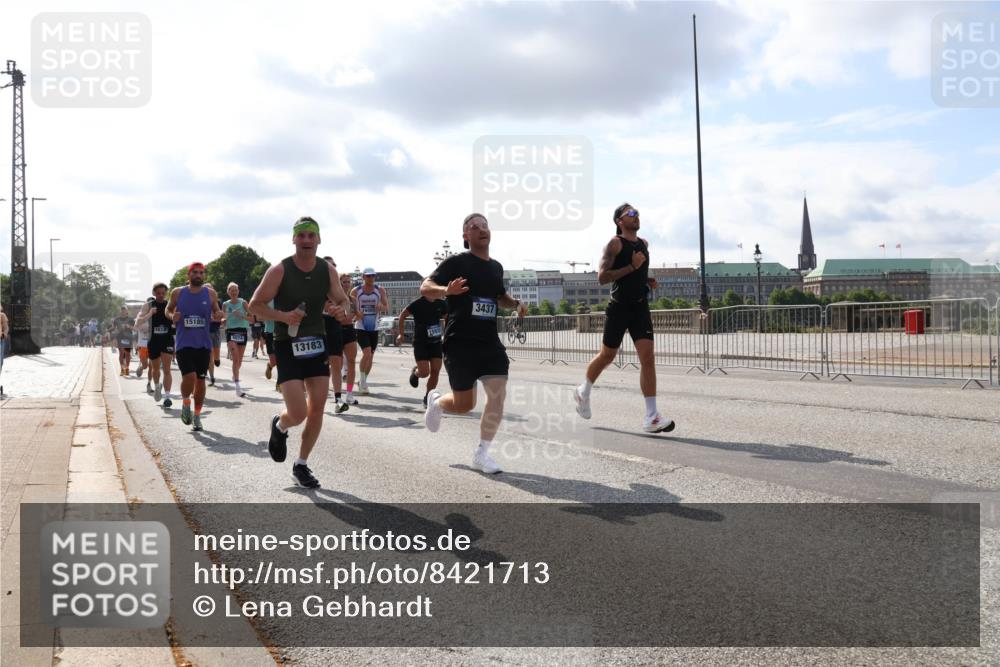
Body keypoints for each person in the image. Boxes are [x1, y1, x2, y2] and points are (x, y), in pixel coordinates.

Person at [249, 216, 351, 489]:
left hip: (317, 341)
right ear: (293, 239)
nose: (306, 240)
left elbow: (343, 300)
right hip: (287, 344)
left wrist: (343, 310)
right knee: (298, 412)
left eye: (311, 235)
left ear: (319, 240)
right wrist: (283, 316)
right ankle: (281, 426)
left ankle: (302, 464)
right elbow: (255, 305)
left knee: (317, 408)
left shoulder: (326, 270)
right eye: (301, 235)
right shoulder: (279, 270)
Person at [421, 213, 526, 474]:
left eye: (485, 225)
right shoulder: (457, 262)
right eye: (474, 227)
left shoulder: (496, 267)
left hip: (489, 341)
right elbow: (425, 287)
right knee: (464, 404)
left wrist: (515, 304)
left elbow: (499, 296)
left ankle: (482, 453)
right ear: (466, 236)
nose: (481, 229)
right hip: (460, 342)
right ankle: (437, 402)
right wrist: (447, 291)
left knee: (497, 393)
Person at [573, 203, 674, 433]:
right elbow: (602, 277)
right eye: (630, 213)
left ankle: (651, 417)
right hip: (618, 308)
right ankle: (583, 391)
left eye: (637, 212)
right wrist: (631, 266)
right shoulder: (614, 243)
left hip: (639, 307)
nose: (636, 215)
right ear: (619, 221)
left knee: (648, 357)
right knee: (607, 355)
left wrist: (647, 279)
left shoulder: (644, 244)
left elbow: (638, 272)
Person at [166, 263, 223, 431]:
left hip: (204, 345)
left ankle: (197, 415)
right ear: (189, 275)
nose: (198, 275)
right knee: (189, 378)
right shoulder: (178, 292)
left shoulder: (210, 293)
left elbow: (217, 312)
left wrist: (219, 315)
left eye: (201, 273)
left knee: (200, 381)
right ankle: (185, 403)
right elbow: (168, 310)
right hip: (184, 343)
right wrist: (172, 316)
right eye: (195, 272)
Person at [398, 295, 447, 408]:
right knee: (425, 373)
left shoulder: (442, 303)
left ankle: (428, 398)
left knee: (435, 371)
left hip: (436, 342)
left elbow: (447, 318)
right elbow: (402, 316)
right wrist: (401, 334)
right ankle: (416, 372)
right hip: (421, 343)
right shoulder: (417, 304)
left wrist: (447, 334)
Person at [138, 282, 177, 408]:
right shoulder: (148, 305)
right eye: (158, 293)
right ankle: (157, 386)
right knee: (155, 369)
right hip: (153, 341)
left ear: (166, 293)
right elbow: (138, 322)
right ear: (154, 293)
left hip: (167, 340)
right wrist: (150, 314)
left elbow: (176, 319)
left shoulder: (169, 305)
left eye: (163, 293)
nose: (161, 295)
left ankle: (167, 396)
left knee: (167, 369)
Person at [322, 257, 352, 413]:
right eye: (329, 266)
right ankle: (314, 396)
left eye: (334, 266)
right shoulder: (313, 283)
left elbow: (345, 301)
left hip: (333, 324)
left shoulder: (336, 285)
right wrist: (323, 305)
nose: (332, 269)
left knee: (336, 361)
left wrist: (342, 310)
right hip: (316, 326)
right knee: (319, 364)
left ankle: (338, 399)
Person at [351, 268, 388, 395]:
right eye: (368, 276)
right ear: (363, 277)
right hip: (361, 326)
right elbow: (351, 307)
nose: (370, 278)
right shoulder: (356, 291)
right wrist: (357, 313)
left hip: (374, 327)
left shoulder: (380, 290)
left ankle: (363, 381)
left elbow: (386, 306)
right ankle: (362, 383)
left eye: (373, 276)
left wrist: (381, 307)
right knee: (366, 353)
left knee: (371, 356)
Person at [224, 282, 251, 397]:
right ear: (228, 292)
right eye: (231, 290)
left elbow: (252, 319)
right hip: (231, 332)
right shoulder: (225, 304)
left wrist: (242, 316)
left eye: (235, 290)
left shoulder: (243, 303)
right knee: (235, 359)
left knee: (239, 361)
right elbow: (223, 319)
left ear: (238, 291)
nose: (234, 292)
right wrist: (224, 319)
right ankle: (237, 387)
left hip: (242, 331)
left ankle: (235, 375)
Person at [338, 273, 360, 405]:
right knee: (336, 364)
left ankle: (350, 394)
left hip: (349, 330)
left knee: (351, 362)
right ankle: (337, 395)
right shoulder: (335, 298)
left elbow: (356, 314)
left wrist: (357, 315)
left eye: (348, 282)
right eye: (343, 282)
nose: (346, 284)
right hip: (337, 330)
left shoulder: (353, 299)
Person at [204, 282, 223, 386]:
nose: (208, 292)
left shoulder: (217, 302)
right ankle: (212, 377)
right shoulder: (200, 301)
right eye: (206, 289)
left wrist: (216, 318)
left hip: (215, 330)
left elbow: (220, 316)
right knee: (209, 355)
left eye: (210, 289)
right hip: (205, 332)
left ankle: (217, 359)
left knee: (215, 355)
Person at [134, 297, 153, 390]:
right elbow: (136, 326)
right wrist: (149, 315)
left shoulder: (157, 315)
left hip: (153, 344)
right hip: (142, 344)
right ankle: (141, 368)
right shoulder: (140, 315)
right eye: (149, 304)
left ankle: (149, 384)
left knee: (152, 366)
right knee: (145, 365)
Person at [113, 306, 134, 376]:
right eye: (122, 311)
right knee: (121, 353)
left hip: (128, 338)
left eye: (124, 311)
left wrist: (129, 326)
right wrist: (115, 339)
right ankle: (122, 369)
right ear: (120, 311)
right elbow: (115, 329)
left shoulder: (131, 319)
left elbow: (134, 328)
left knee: (127, 354)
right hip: (120, 338)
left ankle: (127, 368)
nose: (123, 312)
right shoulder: (116, 320)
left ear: (127, 311)